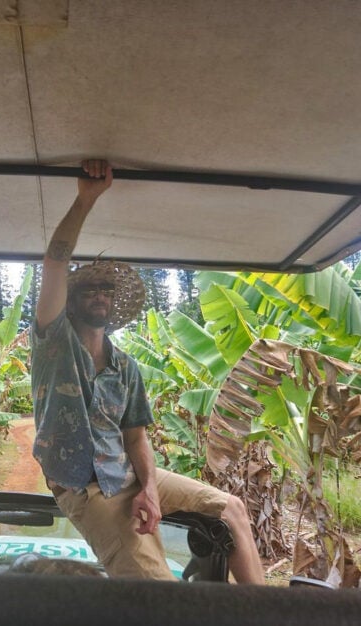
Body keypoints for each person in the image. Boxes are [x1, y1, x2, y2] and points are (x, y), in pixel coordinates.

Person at [30, 159, 264, 584]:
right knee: (159, 592)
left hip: (128, 471)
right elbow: (54, 264)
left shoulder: (125, 368)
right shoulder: (54, 346)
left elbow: (136, 436)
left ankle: (265, 611)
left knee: (231, 509)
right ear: (71, 298)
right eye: (89, 289)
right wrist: (85, 201)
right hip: (87, 488)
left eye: (106, 289)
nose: (99, 295)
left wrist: (151, 489)